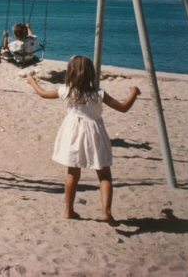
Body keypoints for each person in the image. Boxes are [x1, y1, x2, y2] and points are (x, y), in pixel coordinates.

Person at [26, 55, 140, 226]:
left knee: (73, 173)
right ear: (90, 74)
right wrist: (134, 92)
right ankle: (106, 212)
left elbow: (42, 94)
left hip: (73, 133)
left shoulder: (66, 91)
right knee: (104, 175)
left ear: (70, 73)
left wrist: (31, 81)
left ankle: (68, 210)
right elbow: (123, 108)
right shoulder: (98, 94)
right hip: (94, 132)